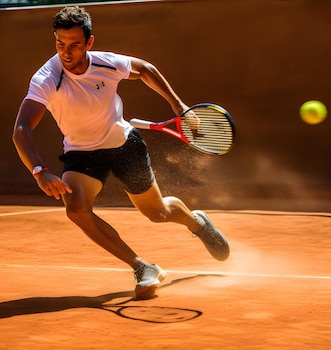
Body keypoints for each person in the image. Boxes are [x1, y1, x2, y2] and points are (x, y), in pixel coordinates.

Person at [12, 6, 229, 299]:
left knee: (158, 213)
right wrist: (39, 169)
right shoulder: (47, 78)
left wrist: (179, 108)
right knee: (76, 210)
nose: (66, 51)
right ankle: (143, 267)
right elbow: (21, 129)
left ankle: (197, 223)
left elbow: (146, 70)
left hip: (124, 145)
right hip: (83, 153)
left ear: (89, 42)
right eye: (60, 43)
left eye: (75, 44)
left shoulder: (107, 63)